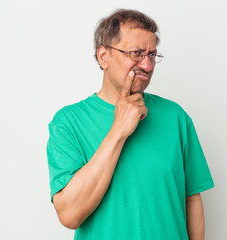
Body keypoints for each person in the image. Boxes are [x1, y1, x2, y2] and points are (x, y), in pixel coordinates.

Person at [47, 9, 214, 240]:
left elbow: (191, 198)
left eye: (152, 55)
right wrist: (118, 130)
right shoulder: (68, 122)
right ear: (104, 56)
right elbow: (69, 215)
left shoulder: (176, 117)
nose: (147, 65)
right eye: (136, 53)